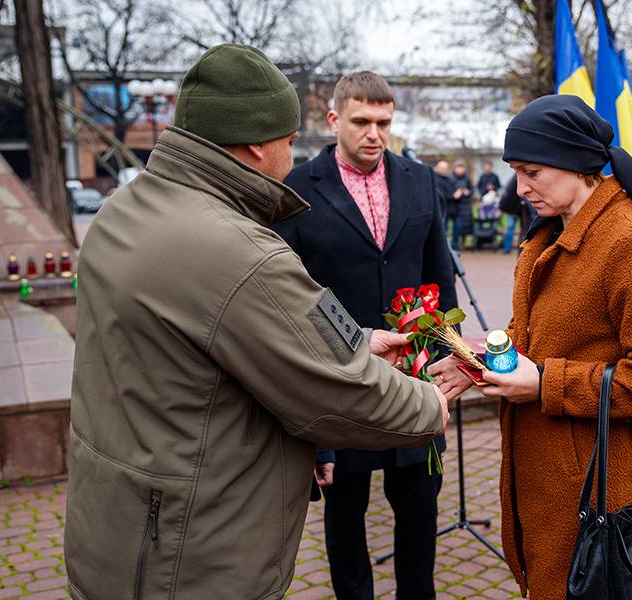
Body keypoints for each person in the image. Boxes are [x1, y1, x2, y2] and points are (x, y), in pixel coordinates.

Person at [64, 45, 449, 600]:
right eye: (290, 141)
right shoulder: (239, 249)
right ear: (257, 146)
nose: (293, 155)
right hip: (192, 548)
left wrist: (360, 341)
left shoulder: (123, 210)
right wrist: (431, 403)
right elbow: (325, 380)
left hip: (126, 520)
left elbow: (237, 325)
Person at [429, 95, 632, 600]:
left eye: (531, 171)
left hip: (600, 488)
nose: (519, 188)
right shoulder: (549, 232)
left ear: (577, 164)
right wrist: (479, 363)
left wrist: (548, 383)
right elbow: (539, 335)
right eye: (515, 171)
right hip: (552, 480)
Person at [274, 71, 456, 600]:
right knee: (345, 516)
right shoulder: (298, 189)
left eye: (383, 122)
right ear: (334, 120)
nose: (374, 133)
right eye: (361, 121)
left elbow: (437, 279)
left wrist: (443, 368)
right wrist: (317, 431)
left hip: (414, 381)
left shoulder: (420, 180)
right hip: (341, 379)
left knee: (420, 507)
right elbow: (293, 296)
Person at [498, 173, 538, 253]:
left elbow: (504, 204)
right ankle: (507, 248)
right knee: (510, 228)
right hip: (519, 212)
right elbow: (505, 204)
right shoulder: (518, 176)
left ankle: (507, 248)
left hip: (531, 233)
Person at [449, 160, 474, 250]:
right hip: (455, 207)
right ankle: (454, 245)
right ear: (455, 168)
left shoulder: (467, 177)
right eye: (459, 168)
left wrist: (468, 192)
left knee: (466, 226)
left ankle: (463, 243)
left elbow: (471, 189)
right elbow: (448, 192)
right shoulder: (450, 178)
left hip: (466, 206)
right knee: (457, 227)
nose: (461, 170)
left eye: (462, 168)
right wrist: (455, 194)